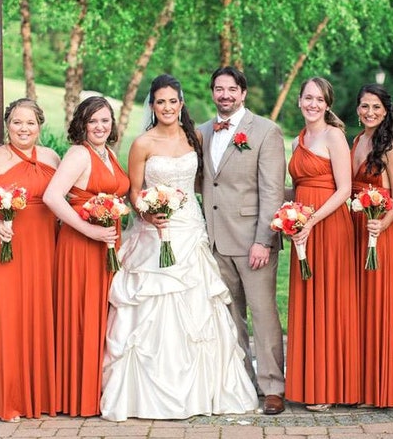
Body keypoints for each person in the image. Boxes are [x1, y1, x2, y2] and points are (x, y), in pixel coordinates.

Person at [100, 74, 258, 421]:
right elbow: (134, 190)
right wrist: (147, 210)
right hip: (153, 233)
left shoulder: (195, 137)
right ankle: (144, 395)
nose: (168, 107)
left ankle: (205, 393)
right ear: (152, 106)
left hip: (190, 230)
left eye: (173, 101)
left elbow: (208, 179)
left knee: (199, 309)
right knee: (151, 308)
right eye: (161, 102)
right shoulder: (142, 143)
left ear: (181, 103)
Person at [0, 98, 60, 422]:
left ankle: (40, 395)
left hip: (43, 250)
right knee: (6, 320)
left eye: (30, 122)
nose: (23, 128)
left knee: (38, 317)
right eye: (17, 122)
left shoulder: (52, 158)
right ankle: (6, 399)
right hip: (3, 249)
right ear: (8, 124)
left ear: (40, 125)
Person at [198, 66, 286, 415]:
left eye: (232, 89)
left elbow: (272, 190)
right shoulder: (202, 131)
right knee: (231, 318)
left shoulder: (265, 131)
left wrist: (264, 240)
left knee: (264, 315)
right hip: (215, 241)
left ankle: (273, 387)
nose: (225, 95)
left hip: (254, 242)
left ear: (243, 93)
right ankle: (242, 382)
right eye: (219, 89)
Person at [43, 96, 130, 417]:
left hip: (106, 244)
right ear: (82, 123)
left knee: (101, 314)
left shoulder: (107, 154)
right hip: (81, 246)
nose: (100, 126)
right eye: (93, 121)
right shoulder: (79, 153)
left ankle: (96, 388)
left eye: (105, 120)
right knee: (82, 314)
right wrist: (89, 231)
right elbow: (52, 196)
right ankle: (77, 395)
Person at [285, 77, 360, 411]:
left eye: (319, 99)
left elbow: (344, 189)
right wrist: (284, 214)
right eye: (307, 98)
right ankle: (310, 383)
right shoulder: (299, 139)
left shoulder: (334, 136)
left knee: (330, 300)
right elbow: (298, 186)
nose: (313, 104)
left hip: (329, 227)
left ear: (328, 104)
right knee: (307, 300)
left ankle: (332, 386)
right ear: (299, 101)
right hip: (302, 227)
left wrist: (311, 221)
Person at [351, 84, 393, 407]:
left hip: (381, 233)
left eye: (375, 107)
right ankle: (360, 383)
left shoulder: (391, 148)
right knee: (360, 308)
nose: (369, 112)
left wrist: (381, 224)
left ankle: (383, 388)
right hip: (356, 230)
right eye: (364, 106)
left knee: (379, 307)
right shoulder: (358, 140)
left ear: (386, 111)